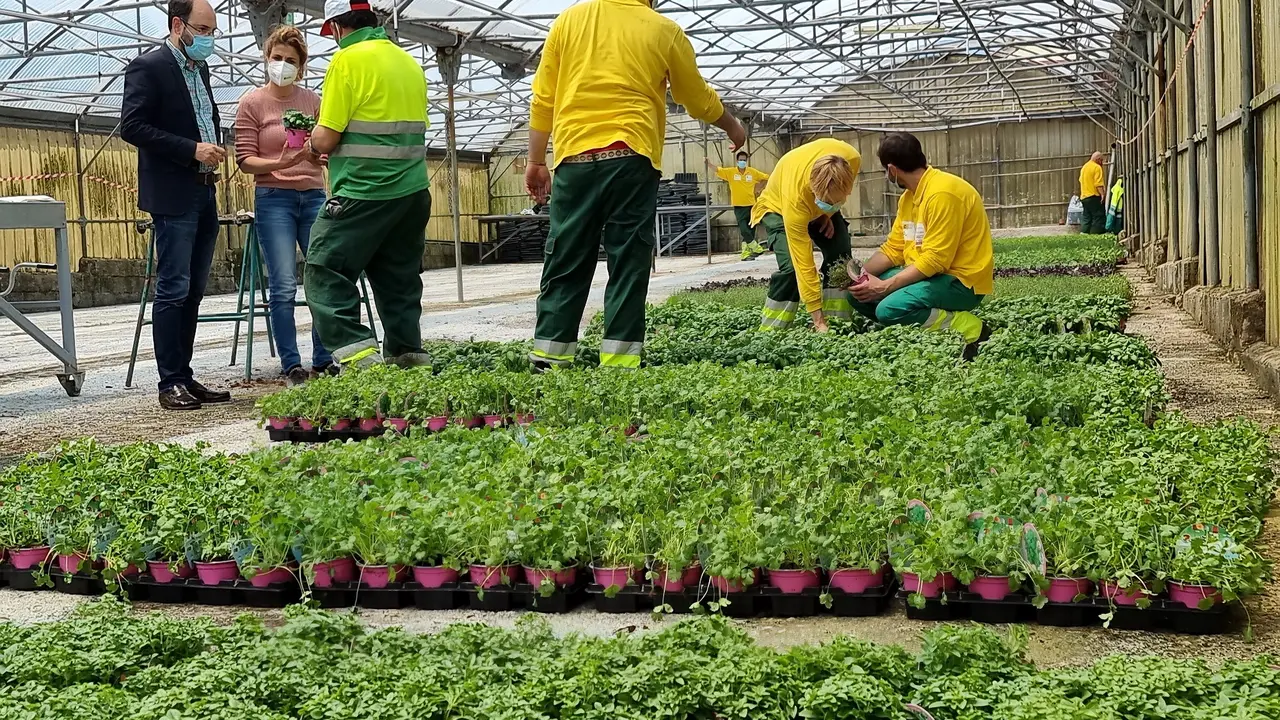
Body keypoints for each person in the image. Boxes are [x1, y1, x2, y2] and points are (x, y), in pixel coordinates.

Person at [524, 0, 746, 369]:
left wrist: (535, 161)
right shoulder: (662, 29)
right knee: (628, 257)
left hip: (574, 159)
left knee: (566, 256)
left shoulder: (569, 20)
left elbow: (544, 97)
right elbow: (693, 96)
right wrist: (731, 124)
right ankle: (620, 363)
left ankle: (550, 357)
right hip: (632, 155)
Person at [304, 0, 433, 370]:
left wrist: (311, 143)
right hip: (411, 194)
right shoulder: (407, 62)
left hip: (364, 190)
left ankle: (360, 358)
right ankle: (409, 357)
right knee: (398, 280)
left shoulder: (348, 60)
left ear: (338, 28)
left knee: (325, 268)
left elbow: (327, 138)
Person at [121, 0, 232, 411]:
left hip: (205, 189)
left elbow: (203, 117)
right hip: (172, 192)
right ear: (177, 24)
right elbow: (132, 126)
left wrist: (211, 151)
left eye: (212, 32)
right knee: (173, 287)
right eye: (201, 30)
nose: (208, 39)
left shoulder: (199, 69)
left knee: (195, 290)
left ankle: (185, 376)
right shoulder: (148, 67)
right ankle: (170, 382)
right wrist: (191, 149)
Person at [235, 25, 332, 386]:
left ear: (301, 66)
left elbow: (325, 145)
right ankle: (292, 363)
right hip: (274, 198)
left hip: (312, 196)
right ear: (266, 58)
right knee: (283, 284)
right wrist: (282, 163)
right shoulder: (252, 103)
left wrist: (319, 156)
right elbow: (245, 160)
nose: (282, 65)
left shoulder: (313, 102)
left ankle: (323, 357)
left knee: (320, 276)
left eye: (290, 60)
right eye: (277, 58)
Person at [850, 132, 994, 358]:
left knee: (888, 309)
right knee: (857, 293)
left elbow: (936, 260)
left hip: (960, 282)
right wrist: (859, 275)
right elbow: (894, 249)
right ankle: (911, 323)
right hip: (930, 275)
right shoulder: (909, 197)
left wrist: (886, 286)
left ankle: (971, 327)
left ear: (891, 170)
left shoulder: (942, 193)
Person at [752, 138, 861, 333]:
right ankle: (772, 332)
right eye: (825, 201)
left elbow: (832, 198)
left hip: (814, 203)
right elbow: (804, 263)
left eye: (835, 200)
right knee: (792, 268)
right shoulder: (795, 199)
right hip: (777, 208)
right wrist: (817, 320)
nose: (831, 203)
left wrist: (827, 213)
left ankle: (839, 321)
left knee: (840, 250)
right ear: (813, 189)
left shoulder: (852, 158)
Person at [706, 151, 769, 260]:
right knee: (744, 229)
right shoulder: (731, 172)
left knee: (750, 229)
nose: (742, 162)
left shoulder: (752, 172)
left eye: (744, 160)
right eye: (741, 160)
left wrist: (759, 188)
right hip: (739, 206)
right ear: (737, 161)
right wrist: (709, 164)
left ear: (746, 161)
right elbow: (718, 170)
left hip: (751, 205)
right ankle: (755, 247)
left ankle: (745, 253)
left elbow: (767, 177)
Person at [1078, 151, 1107, 234]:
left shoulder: (1084, 167)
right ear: (1098, 160)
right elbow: (1098, 183)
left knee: (1087, 217)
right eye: (1101, 160)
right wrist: (1102, 194)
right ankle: (1096, 233)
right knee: (1098, 216)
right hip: (1093, 196)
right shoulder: (1097, 167)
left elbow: (1080, 180)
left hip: (1084, 196)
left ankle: (1084, 232)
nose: (1102, 163)